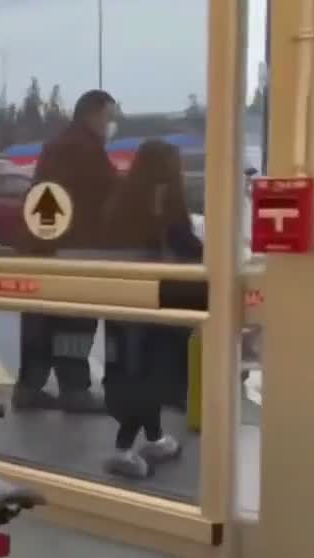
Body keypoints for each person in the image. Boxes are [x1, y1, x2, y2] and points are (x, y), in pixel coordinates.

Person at [14, 90, 120, 414]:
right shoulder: (86, 149)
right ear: (92, 114)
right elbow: (108, 194)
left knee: (41, 322)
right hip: (76, 247)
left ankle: (29, 387)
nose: (110, 124)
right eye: (108, 116)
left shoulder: (55, 144)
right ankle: (75, 389)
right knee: (74, 323)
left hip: (42, 246)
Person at [100, 139, 201, 478]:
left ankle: (155, 437)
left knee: (139, 376)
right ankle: (122, 449)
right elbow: (186, 246)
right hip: (153, 307)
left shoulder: (123, 199)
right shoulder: (163, 203)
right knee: (149, 379)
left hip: (122, 305)